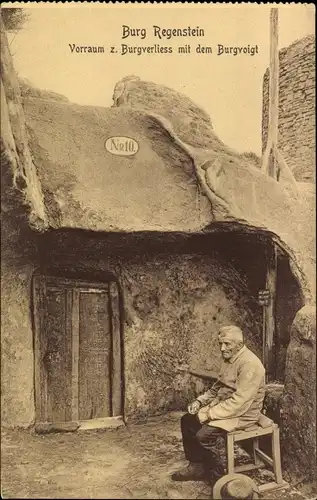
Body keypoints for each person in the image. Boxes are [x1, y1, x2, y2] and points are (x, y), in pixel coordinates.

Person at [171, 325, 266, 482]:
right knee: (187, 420)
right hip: (226, 408)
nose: (222, 348)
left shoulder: (250, 364)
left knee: (203, 435)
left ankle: (219, 476)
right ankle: (197, 466)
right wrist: (199, 401)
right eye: (220, 343)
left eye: (227, 344)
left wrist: (208, 414)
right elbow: (216, 388)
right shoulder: (229, 358)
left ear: (239, 344)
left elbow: (240, 403)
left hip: (244, 413)